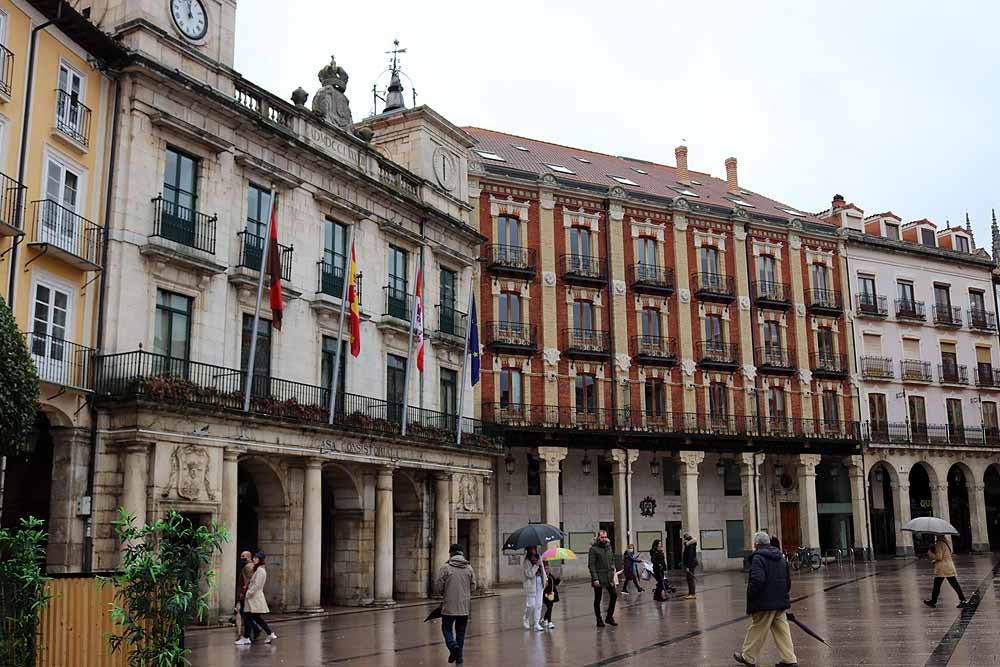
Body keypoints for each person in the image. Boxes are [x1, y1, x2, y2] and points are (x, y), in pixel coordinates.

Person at [734, 532, 798, 667]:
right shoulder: (781, 557)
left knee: (757, 627)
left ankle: (748, 657)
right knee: (782, 630)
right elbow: (788, 581)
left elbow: (757, 580)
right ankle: (789, 659)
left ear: (756, 544)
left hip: (764, 602)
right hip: (779, 601)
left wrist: (751, 594)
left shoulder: (758, 558)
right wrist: (782, 594)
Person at [434, 543, 476, 664]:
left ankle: (453, 646)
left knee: (446, 628)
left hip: (449, 606)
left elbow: (438, 587)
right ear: (462, 553)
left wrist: (444, 594)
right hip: (464, 606)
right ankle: (459, 656)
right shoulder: (469, 568)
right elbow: (473, 586)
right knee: (461, 631)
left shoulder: (446, 568)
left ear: (451, 553)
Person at [235, 551, 277, 646]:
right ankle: (269, 633)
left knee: (248, 617)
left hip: (254, 597)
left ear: (260, 560)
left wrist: (248, 593)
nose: (254, 559)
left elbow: (257, 585)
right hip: (253, 597)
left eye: (256, 558)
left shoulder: (260, 571)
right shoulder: (258, 569)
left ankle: (247, 637)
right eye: (254, 557)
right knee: (254, 618)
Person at [923, 535, 967, 609]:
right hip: (949, 566)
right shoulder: (946, 542)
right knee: (954, 585)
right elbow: (946, 555)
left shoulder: (939, 544)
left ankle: (933, 601)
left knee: (937, 586)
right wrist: (934, 560)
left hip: (942, 568)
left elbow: (939, 557)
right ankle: (963, 600)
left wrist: (931, 554)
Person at [588, 529, 618, 627]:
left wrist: (613, 568)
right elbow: (591, 565)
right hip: (599, 577)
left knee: (614, 595)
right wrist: (595, 578)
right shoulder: (593, 549)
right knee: (598, 599)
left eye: (605, 537)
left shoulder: (609, 547)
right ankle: (599, 619)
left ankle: (609, 617)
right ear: (598, 537)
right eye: (602, 537)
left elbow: (612, 558)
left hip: (609, 576)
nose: (604, 539)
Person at [522, 545, 546, 631]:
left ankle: (536, 623)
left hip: (540, 582)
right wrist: (536, 565)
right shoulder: (526, 561)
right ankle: (526, 618)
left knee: (539, 604)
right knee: (531, 605)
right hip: (531, 584)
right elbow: (529, 574)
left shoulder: (539, 557)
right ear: (528, 549)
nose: (534, 549)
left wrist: (545, 579)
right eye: (532, 548)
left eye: (535, 548)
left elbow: (542, 569)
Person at [541, 560, 560, 629]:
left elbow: (556, 583)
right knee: (549, 607)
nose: (548, 569)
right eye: (546, 568)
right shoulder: (543, 577)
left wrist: (558, 579)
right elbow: (542, 586)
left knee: (549, 607)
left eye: (548, 568)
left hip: (552, 594)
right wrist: (545, 585)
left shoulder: (550, 576)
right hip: (546, 594)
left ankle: (545, 619)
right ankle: (549, 622)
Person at [682, 532, 698, 600]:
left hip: (690, 564)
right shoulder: (691, 545)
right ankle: (690, 593)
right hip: (692, 563)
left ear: (686, 539)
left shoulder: (689, 546)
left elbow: (689, 556)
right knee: (689, 578)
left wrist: (688, 566)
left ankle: (692, 594)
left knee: (690, 579)